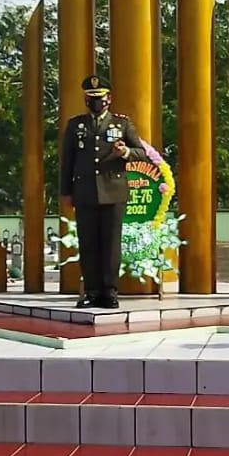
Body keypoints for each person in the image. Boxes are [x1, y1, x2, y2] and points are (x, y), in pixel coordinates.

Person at [59, 75, 147, 309]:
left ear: (109, 98)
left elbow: (142, 153)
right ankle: (91, 292)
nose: (96, 102)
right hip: (85, 192)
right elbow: (67, 161)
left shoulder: (122, 124)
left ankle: (109, 292)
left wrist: (125, 153)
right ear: (86, 99)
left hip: (113, 192)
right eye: (91, 97)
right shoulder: (76, 125)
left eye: (100, 97)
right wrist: (65, 192)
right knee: (88, 244)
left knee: (110, 245)